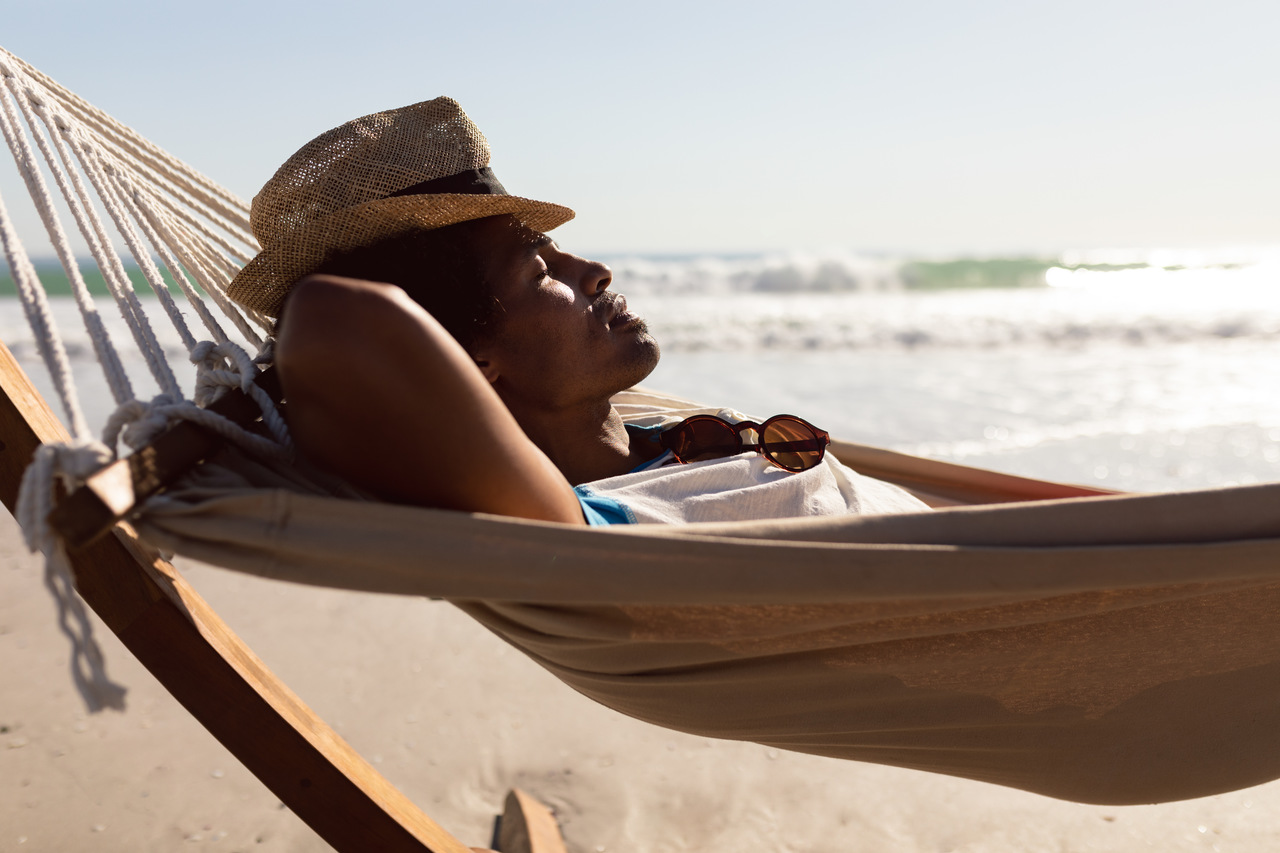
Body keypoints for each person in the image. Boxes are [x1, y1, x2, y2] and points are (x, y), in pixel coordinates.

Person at [227, 97, 929, 525]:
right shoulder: (575, 518)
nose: (596, 272)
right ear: (474, 360)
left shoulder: (657, 437)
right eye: (541, 268)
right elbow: (329, 316)